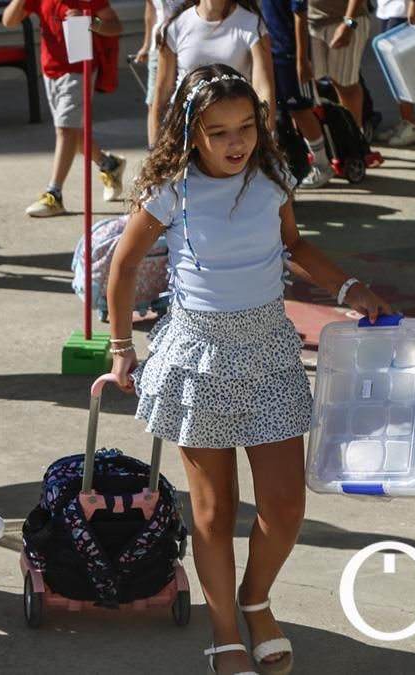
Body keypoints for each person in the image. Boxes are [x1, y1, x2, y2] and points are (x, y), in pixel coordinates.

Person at [108, 64, 392, 675]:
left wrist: (348, 286)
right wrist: (120, 346)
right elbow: (123, 265)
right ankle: (223, 630)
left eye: (245, 127)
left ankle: (255, 599)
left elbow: (294, 246)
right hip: (197, 357)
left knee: (285, 506)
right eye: (218, 132)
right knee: (213, 511)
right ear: (191, 134)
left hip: (267, 352)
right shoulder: (170, 189)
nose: (236, 142)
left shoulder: (272, 177)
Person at [1, 0, 127, 215]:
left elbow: (115, 25)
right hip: (51, 70)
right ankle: (108, 164)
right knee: (73, 133)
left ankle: (54, 194)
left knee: (65, 130)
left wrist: (91, 22)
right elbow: (9, 21)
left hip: (79, 69)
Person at [153, 0, 275, 144]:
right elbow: (162, 95)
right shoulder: (175, 27)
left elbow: (263, 90)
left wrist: (266, 141)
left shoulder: (252, 25)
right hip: (185, 132)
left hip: (233, 133)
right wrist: (155, 146)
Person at [262, 0, 335, 187]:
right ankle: (294, 161)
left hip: (289, 55)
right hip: (270, 51)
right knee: (278, 111)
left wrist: (302, 59)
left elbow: (300, 16)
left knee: (300, 110)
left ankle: (322, 164)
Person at [298, 0, 371, 134]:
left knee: (345, 85)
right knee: (308, 86)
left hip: (344, 22)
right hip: (308, 23)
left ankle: (355, 139)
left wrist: (349, 23)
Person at [373, 0, 415, 146]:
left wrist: (414, 4)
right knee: (392, 70)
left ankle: (412, 123)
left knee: (401, 69)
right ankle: (405, 119)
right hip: (386, 9)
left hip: (402, 10)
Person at [137, 0, 185, 148]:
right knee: (154, 102)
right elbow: (150, 11)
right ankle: (154, 152)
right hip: (158, 47)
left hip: (184, 43)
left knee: (181, 101)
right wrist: (146, 45)